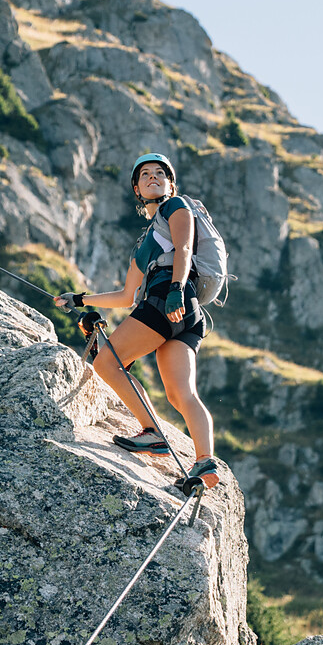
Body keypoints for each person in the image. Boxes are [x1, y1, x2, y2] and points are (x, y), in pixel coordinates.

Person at [55, 153, 222, 489]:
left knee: (106, 363)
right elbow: (126, 295)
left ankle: (154, 433)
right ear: (137, 189)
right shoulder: (144, 244)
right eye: (145, 174)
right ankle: (205, 462)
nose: (152, 177)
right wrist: (81, 300)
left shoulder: (176, 206)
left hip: (167, 299)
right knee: (179, 394)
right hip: (186, 314)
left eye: (160, 173)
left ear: (171, 184)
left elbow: (184, 248)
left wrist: (175, 288)